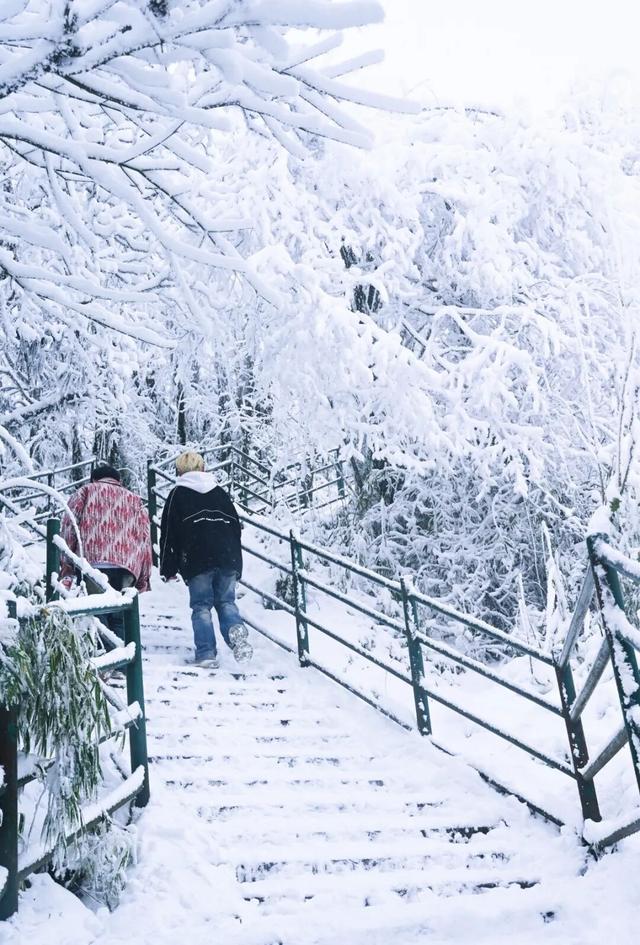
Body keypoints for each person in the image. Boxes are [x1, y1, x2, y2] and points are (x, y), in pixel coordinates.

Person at [159, 450, 252, 668]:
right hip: (227, 557)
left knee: (201, 606)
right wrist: (236, 564)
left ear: (179, 471)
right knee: (227, 602)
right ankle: (236, 636)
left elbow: (167, 534)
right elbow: (235, 528)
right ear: (203, 468)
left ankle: (206, 653)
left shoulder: (177, 494)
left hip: (197, 558)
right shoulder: (219, 493)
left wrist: (167, 567)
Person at [60, 463, 152, 636]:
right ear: (118, 481)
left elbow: (69, 528)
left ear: (94, 479)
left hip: (92, 564)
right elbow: (145, 538)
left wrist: (66, 563)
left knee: (97, 615)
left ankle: (103, 658)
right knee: (120, 617)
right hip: (126, 567)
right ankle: (123, 659)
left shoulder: (85, 492)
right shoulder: (135, 500)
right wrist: (143, 578)